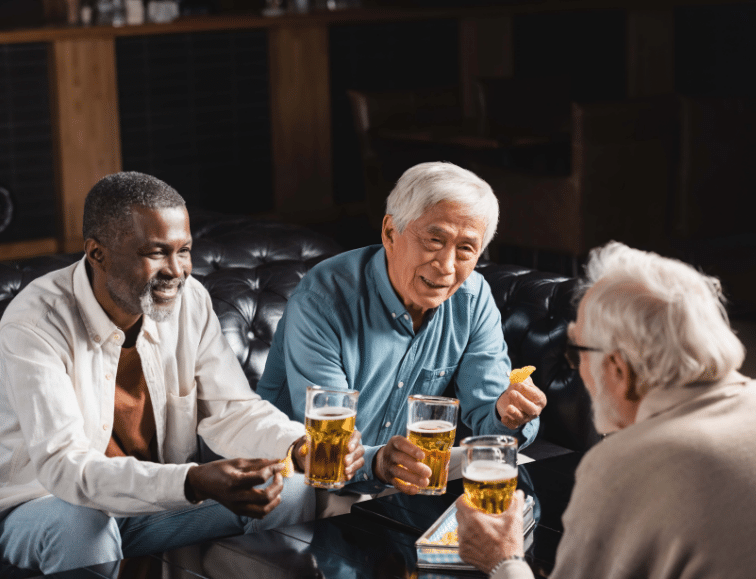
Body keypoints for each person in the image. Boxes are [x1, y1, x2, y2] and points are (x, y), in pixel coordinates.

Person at [0, 172, 364, 574]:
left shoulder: (189, 300)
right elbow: (65, 469)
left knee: (290, 485)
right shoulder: (35, 324)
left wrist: (297, 446)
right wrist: (192, 481)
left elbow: (232, 409)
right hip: (42, 504)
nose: (177, 271)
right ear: (97, 253)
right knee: (81, 525)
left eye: (184, 250)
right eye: (156, 252)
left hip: (154, 503)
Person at [456, 241, 756, 578]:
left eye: (576, 350)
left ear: (618, 369)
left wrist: (503, 561)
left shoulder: (624, 464)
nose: (577, 367)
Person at [257, 162, 547, 500]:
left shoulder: (472, 298)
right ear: (390, 233)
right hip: (299, 480)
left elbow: (488, 420)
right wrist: (379, 463)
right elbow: (328, 447)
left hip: (396, 485)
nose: (447, 266)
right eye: (434, 240)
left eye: (466, 249)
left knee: (508, 476)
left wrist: (507, 415)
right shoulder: (323, 299)